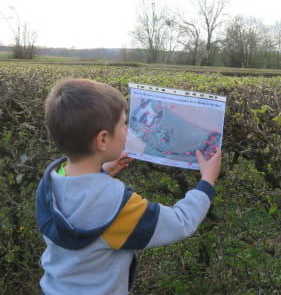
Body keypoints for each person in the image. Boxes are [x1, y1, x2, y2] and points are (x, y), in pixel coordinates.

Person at [36, 78, 222, 295]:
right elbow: (180, 223)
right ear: (103, 140)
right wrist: (207, 182)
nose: (128, 129)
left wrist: (101, 171)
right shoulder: (118, 206)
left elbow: (80, 199)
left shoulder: (50, 180)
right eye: (123, 124)